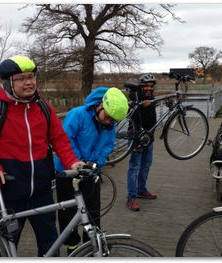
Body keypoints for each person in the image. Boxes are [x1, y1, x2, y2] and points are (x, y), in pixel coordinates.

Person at [0, 55, 84, 256]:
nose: (29, 82)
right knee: (5, 248)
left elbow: (59, 139)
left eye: (31, 77)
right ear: (8, 83)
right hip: (9, 193)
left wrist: (73, 162)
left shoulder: (43, 108)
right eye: (21, 78)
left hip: (42, 192)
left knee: (50, 245)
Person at [53, 87, 128, 254]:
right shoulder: (77, 115)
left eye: (114, 120)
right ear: (100, 106)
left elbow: (109, 145)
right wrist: (80, 162)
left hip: (91, 173)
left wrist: (96, 162)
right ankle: (72, 247)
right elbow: (66, 140)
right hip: (68, 172)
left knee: (93, 213)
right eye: (108, 117)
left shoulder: (109, 123)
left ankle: (91, 247)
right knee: (68, 213)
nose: (110, 122)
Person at [126, 73, 158, 211]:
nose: (149, 88)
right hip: (136, 137)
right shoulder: (134, 97)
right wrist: (140, 105)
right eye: (146, 86)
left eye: (151, 86)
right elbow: (129, 114)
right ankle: (131, 198)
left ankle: (141, 190)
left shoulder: (152, 98)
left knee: (146, 165)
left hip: (149, 137)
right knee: (134, 167)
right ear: (141, 86)